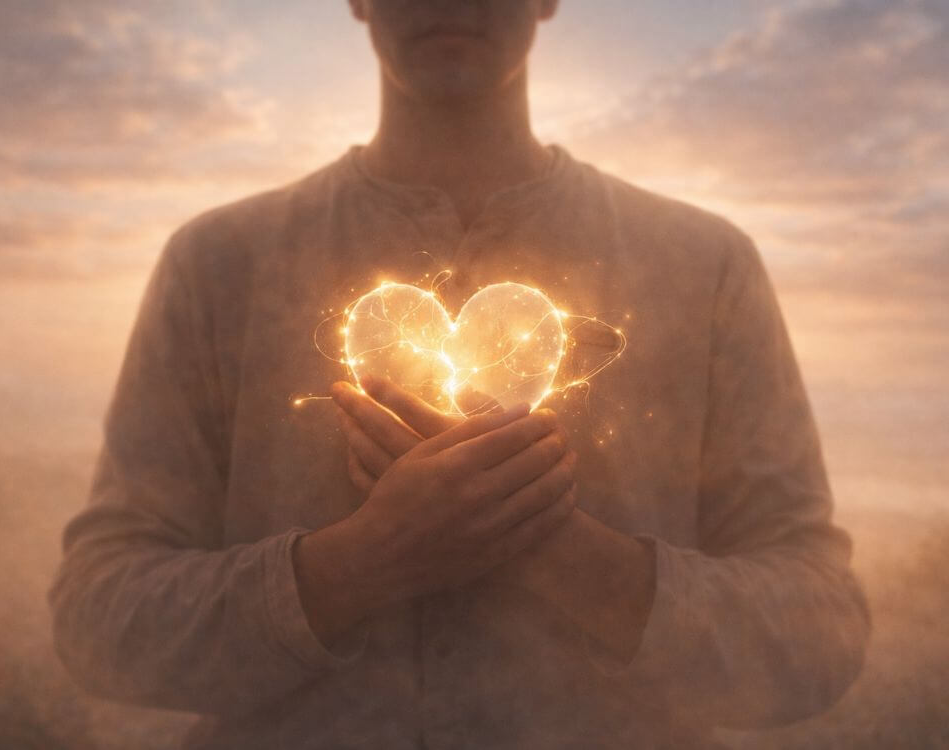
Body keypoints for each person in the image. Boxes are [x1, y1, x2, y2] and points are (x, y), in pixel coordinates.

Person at [48, 1, 871, 748]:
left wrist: (553, 546)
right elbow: (96, 620)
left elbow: (819, 634)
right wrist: (356, 563)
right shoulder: (218, 266)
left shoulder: (705, 266)